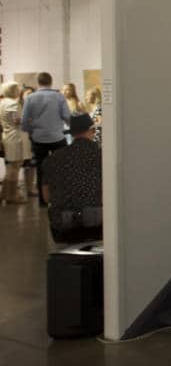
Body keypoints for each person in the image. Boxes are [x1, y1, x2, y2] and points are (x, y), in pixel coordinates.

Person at [41, 113, 102, 242]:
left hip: (63, 227)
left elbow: (47, 197)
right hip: (99, 225)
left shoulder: (52, 159)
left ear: (72, 134)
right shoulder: (102, 156)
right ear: (92, 131)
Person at [21, 72, 70, 206]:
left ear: (38, 82)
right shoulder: (59, 96)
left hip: (39, 139)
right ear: (51, 82)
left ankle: (43, 201)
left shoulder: (30, 98)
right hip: (57, 137)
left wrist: (31, 132)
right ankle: (60, 198)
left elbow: (24, 121)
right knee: (60, 168)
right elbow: (67, 116)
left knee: (41, 170)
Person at [1, 82, 32, 204]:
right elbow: (17, 120)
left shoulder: (3, 102)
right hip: (16, 137)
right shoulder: (13, 104)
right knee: (15, 167)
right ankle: (13, 195)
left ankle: (4, 193)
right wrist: (30, 119)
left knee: (11, 167)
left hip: (9, 136)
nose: (19, 91)